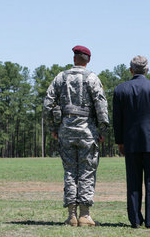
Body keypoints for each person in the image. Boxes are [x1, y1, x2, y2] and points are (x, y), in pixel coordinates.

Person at [43, 45, 109, 227]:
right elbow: (101, 105)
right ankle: (85, 215)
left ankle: (71, 215)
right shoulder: (92, 78)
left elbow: (48, 103)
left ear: (74, 59)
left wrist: (53, 127)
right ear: (88, 60)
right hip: (88, 132)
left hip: (66, 132)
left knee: (70, 172)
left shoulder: (61, 78)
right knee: (87, 172)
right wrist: (103, 130)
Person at [112, 55, 150, 229]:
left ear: (131, 70)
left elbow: (117, 120)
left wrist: (120, 141)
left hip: (130, 143)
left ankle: (135, 220)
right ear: (147, 69)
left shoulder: (120, 90)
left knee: (133, 182)